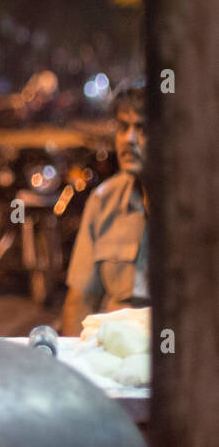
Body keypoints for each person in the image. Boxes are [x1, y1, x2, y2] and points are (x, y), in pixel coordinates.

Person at [60, 81, 150, 336]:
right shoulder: (103, 200)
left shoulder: (200, 204)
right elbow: (80, 301)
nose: (129, 139)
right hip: (113, 356)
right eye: (123, 127)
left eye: (142, 128)